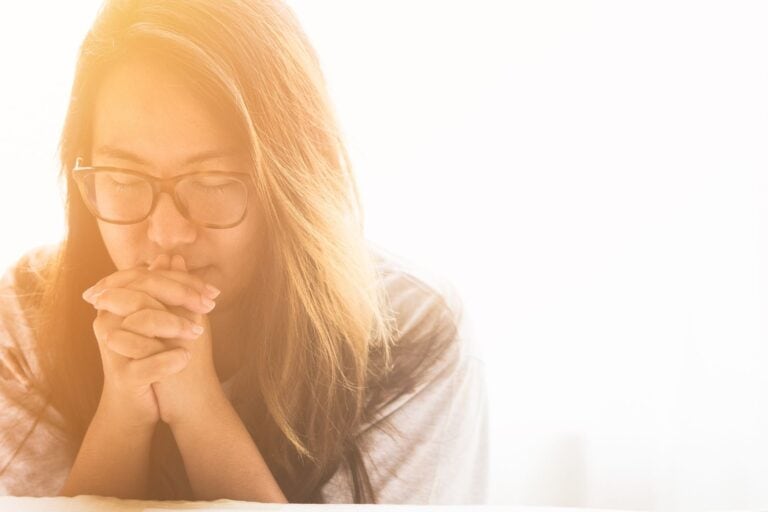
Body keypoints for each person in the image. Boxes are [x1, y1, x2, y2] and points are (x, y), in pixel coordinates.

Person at [0, 0, 489, 504]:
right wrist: (121, 419)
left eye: (213, 181)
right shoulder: (23, 324)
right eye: (124, 178)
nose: (167, 233)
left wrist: (200, 412)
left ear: (293, 178)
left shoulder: (409, 332)